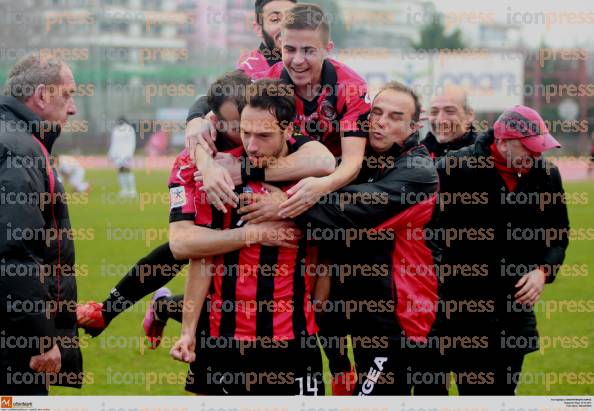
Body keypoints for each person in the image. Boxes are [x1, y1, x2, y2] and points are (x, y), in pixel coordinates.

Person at [76, 72, 334, 347]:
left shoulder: (276, 138)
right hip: (222, 301)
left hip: (287, 310)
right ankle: (118, 309)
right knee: (210, 271)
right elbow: (181, 246)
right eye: (227, 124)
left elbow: (324, 161)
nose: (236, 132)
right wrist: (207, 164)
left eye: (241, 124)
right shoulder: (192, 161)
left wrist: (247, 171)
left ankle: (161, 307)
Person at [170, 79, 324, 395]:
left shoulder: (311, 177)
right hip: (224, 340)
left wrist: (316, 308)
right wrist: (188, 331)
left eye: (264, 136)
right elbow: (201, 256)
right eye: (245, 132)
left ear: (288, 131)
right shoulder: (222, 174)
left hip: (292, 339)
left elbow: (328, 251)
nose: (252, 145)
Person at [291, 81, 444, 395]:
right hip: (357, 314)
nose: (381, 122)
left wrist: (278, 200)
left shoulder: (418, 171)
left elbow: (339, 214)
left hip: (399, 319)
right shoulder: (358, 160)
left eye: (395, 116)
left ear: (415, 125)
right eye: (377, 112)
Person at [436, 105, 570, 395]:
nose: (536, 156)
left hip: (514, 314)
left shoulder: (547, 174)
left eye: (540, 149)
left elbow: (558, 235)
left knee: (504, 397)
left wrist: (542, 271)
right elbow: (427, 234)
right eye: (530, 149)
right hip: (462, 313)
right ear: (503, 140)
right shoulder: (453, 169)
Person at [0, 53, 82, 395]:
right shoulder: (19, 149)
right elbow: (15, 253)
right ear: (42, 95)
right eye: (68, 94)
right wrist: (40, 338)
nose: (73, 108)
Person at [421, 85, 478, 158]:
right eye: (434, 112)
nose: (440, 120)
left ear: (469, 116)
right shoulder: (417, 152)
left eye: (449, 111)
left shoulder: (484, 153)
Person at [108, 116, 136, 198]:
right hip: (123, 153)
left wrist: (111, 155)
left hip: (122, 153)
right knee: (124, 171)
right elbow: (114, 143)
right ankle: (126, 190)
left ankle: (130, 190)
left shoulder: (124, 129)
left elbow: (113, 143)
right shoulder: (118, 130)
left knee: (125, 171)